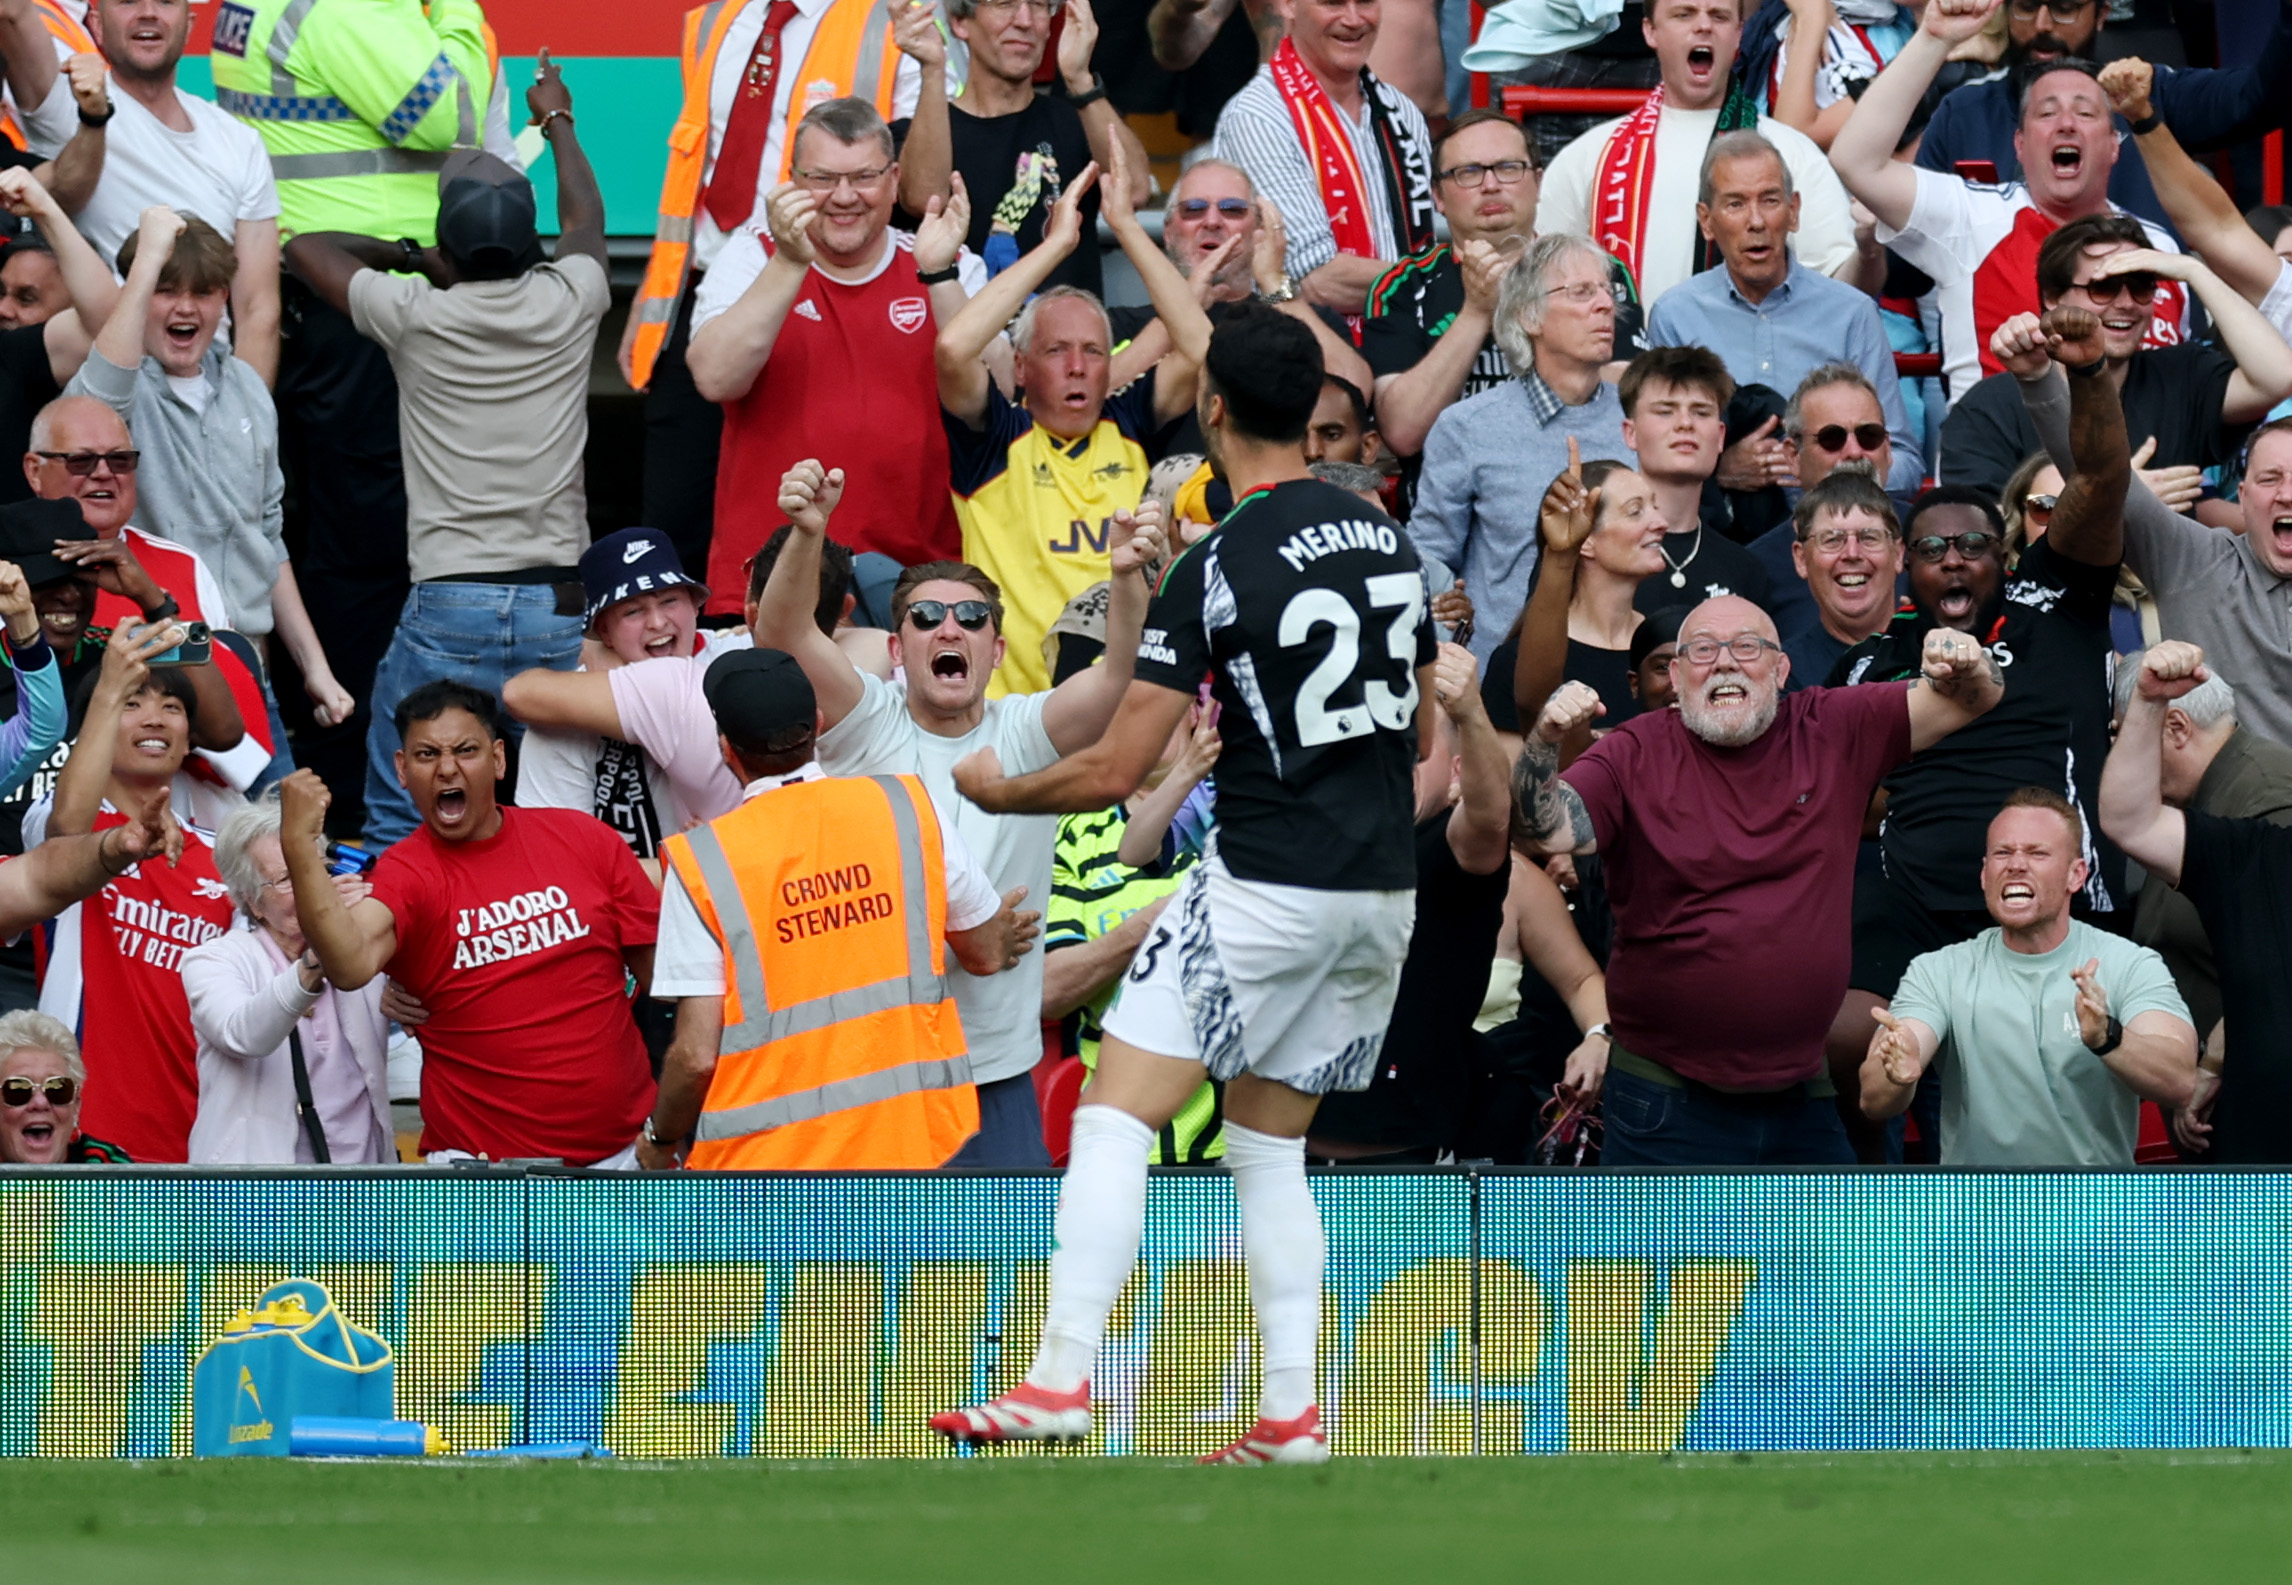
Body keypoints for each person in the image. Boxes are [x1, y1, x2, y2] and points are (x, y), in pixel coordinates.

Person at [931, 303, 1432, 1463]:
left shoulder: (1219, 561)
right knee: (1267, 1146)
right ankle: (1294, 1417)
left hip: (1263, 877)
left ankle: (1060, 1381)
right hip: (1378, 892)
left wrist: (994, 792)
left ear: (1210, 409)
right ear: (1313, 411)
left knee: (1111, 1120)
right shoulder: (1387, 542)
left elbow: (1112, 767)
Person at [754, 455, 1160, 1166]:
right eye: (926, 617)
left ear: (996, 649)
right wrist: (808, 533)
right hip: (872, 1074)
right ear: (895, 648)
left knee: (1010, 1272)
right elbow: (783, 633)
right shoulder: (867, 720)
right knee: (867, 1275)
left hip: (994, 1075)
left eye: (971, 618)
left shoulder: (1028, 730)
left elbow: (1121, 673)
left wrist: (1128, 580)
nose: (950, 629)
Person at [1513, 594, 2002, 1165]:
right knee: (1677, 1260)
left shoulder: (1832, 725)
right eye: (1702, 651)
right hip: (1668, 1101)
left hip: (1803, 1094)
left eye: (1747, 647)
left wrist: (1968, 658)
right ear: (1675, 675)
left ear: (1780, 668)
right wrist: (1545, 740)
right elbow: (1544, 832)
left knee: (1823, 1257)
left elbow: (1976, 698)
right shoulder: (1634, 752)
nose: (1725, 662)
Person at [283, 61, 608, 847]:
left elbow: (307, 249)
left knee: (402, 813)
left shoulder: (415, 314)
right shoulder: (574, 298)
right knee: (557, 818)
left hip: (448, 603)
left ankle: (405, 969)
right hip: (555, 608)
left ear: (448, 247)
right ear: (531, 244)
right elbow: (589, 224)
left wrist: (408, 254)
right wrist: (557, 118)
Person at [214, 0, 504, 833]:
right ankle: (372, 789)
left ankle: (356, 773)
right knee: (375, 556)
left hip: (330, 297)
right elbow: (450, 113)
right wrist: (451, 11)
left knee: (344, 546)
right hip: (359, 299)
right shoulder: (344, 11)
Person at [637, 648, 1034, 1170]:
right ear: (818, 726)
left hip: (767, 1173)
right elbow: (983, 952)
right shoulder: (905, 807)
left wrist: (660, 1139)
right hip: (912, 1145)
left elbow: (694, 1057)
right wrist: (1000, 930)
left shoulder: (702, 861)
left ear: (726, 748)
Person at [1823, 444, 2126, 1103]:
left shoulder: (2059, 617)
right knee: (1847, 1036)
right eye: (1932, 547)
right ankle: (1869, 1181)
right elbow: (1837, 795)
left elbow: (2104, 481)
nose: (1953, 558)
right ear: (1906, 561)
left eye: (1972, 543)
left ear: (2005, 554)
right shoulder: (1867, 662)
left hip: (2051, 900)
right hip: (1914, 904)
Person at [620, 0, 952, 578]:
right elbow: (694, 172)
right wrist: (653, 297)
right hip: (721, 281)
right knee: (673, 526)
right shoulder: (713, 20)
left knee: (820, 509)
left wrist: (928, 70)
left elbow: (921, 189)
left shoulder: (885, 19)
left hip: (827, 275)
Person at [278, 683, 660, 1168]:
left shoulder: (583, 839)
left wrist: (670, 1126)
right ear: (401, 770)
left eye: (466, 750)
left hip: (625, 1158)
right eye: (427, 754)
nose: (447, 768)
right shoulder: (404, 874)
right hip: (481, 1174)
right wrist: (297, 846)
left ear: (498, 759)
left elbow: (663, 980)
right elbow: (349, 965)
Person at [59, 206, 352, 734]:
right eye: (166, 291)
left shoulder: (247, 391)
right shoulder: (121, 388)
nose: (185, 308)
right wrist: (146, 261)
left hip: (245, 667)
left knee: (267, 817)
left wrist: (316, 669)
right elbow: (97, 398)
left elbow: (267, 541)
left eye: (204, 292)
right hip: (145, 675)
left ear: (225, 300)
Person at [938, 142, 1209, 696]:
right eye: (1057, 350)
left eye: (1093, 351)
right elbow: (953, 350)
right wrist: (1058, 244)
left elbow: (1204, 352)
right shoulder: (994, 440)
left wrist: (1127, 228)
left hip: (1118, 708)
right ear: (1020, 365)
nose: (1079, 368)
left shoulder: (1132, 423)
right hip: (1012, 711)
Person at [687, 97, 985, 600]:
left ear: (894, 180)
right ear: (794, 180)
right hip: (765, 579)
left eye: (863, 178)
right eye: (823, 179)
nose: (843, 197)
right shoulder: (753, 254)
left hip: (919, 585)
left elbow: (987, 403)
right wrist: (789, 263)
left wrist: (939, 275)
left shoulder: (944, 260)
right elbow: (715, 378)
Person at [1827, 0, 2188, 406]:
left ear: (2114, 144)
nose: (2066, 123)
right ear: (2019, 144)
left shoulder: (2160, 250)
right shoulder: (1968, 216)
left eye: (2085, 113)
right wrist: (1932, 39)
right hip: (1999, 464)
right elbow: (1855, 161)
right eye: (2047, 113)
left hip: (2140, 466)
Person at [1860, 787, 2196, 1164]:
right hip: (1980, 1215)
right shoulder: (1938, 970)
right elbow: (1873, 1100)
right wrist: (1897, 1076)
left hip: (2095, 1212)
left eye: (2037, 853)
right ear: (1985, 875)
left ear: (2076, 875)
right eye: (2003, 853)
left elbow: (2181, 1082)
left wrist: (2108, 1037)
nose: (2016, 864)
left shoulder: (2129, 963)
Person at [26, 618, 240, 1163]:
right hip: (85, 1140)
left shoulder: (225, 856)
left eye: (172, 707)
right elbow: (65, 832)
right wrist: (106, 690)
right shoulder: (58, 823)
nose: (155, 718)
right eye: (133, 703)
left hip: (202, 1143)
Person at [2010, 357, 2292, 753]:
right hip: (2224, 807)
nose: (2287, 494)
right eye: (2270, 479)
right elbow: (2099, 479)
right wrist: (2039, 378)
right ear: (2242, 498)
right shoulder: (2197, 560)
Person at [1310, 642, 1512, 1165]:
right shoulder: (1318, 843)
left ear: (1456, 773)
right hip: (1280, 1155)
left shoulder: (1453, 845)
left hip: (1404, 1164)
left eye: (1414, 748)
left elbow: (1491, 816)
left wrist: (1468, 709)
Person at [1644, 129, 1922, 495]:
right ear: (1706, 221)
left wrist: (1830, 473)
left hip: (1834, 534)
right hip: (1725, 537)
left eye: (1770, 201)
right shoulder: (1676, 315)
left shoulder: (1851, 313)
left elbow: (1903, 460)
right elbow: (1655, 458)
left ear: (1793, 212)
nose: (1756, 221)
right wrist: (1717, 471)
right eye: (1735, 204)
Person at [1938, 217, 2291, 501]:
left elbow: (2278, 377)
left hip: (2166, 591)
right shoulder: (1988, 408)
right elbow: (1982, 529)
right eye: (2103, 287)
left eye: (2141, 285)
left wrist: (2193, 271)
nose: (2125, 303)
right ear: (2052, 297)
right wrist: (2114, 500)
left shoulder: (2181, 375)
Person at [1366, 107, 1644, 467]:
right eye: (1468, 172)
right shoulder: (1403, 286)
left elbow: (1624, 403)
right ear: (1437, 195)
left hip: (1574, 482)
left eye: (1508, 168)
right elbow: (1403, 433)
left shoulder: (1598, 271)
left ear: (1539, 182)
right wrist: (1476, 312)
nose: (1491, 185)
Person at [2101, 640, 2292, 1163]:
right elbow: (2127, 822)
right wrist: (2146, 701)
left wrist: (2210, 1067)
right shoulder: (2247, 847)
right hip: (2246, 1141)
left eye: (2122, 738)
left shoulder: (2269, 798)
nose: (2122, 753)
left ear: (2179, 729)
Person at [1535, 0, 1859, 304]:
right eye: (1684, 14)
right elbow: (1544, 285)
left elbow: (1837, 289)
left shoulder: (1792, 153)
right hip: (1627, 363)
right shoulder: (1589, 157)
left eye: (1719, 16)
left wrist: (1871, 248)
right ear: (1650, 31)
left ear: (1739, 33)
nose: (1703, 25)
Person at [22, 395, 264, 797]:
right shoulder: (7, 569)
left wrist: (153, 601)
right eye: (81, 461)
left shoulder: (183, 566)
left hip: (172, 798)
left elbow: (227, 737)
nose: (103, 474)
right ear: (35, 470)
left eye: (120, 461)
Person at [1410, 233, 1635, 664]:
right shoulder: (1468, 427)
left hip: (1624, 672)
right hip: (1502, 681)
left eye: (1608, 290)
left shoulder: (1639, 419)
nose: (1606, 304)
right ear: (1529, 316)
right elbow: (1429, 560)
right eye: (1581, 292)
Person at [1913, 0, 2292, 235]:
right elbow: (1905, 273)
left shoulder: (2146, 93)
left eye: (2064, 8)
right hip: (2009, 340)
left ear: (2101, 14)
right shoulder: (1962, 112)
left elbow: (2257, 100)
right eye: (2026, 6)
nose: (2042, 24)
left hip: (2145, 330)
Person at [1042, 705, 1222, 1166]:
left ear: (1195, 712)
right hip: (1118, 1141)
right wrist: (1147, 927)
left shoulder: (1241, 810)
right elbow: (1048, 990)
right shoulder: (1075, 832)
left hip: (1234, 1143)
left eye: (1163, 698)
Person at [71, 0, 278, 385]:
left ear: (189, 25)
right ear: (95, 26)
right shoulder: (66, 114)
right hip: (92, 388)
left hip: (207, 388)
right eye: (128, 1)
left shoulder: (238, 141)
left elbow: (258, 309)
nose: (148, 13)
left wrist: (248, 423)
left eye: (166, 2)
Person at [182, 790, 392, 1164]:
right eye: (285, 879)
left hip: (362, 1194)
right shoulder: (213, 960)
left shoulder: (363, 949)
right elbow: (243, 1034)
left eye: (310, 872)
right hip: (257, 1202)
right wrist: (320, 953)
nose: (308, 889)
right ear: (251, 900)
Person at [1102, 158, 1371, 448]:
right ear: (1168, 234)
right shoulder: (1121, 324)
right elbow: (1090, 401)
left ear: (1259, 232)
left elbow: (1354, 394)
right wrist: (1181, 309)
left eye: (1232, 209)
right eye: (1194, 210)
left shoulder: (1301, 318)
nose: (1213, 221)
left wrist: (1273, 282)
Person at [1211, 0, 1437, 322]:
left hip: (1410, 348)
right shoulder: (1258, 116)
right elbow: (1316, 281)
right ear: (1288, 5)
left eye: (1366, 2)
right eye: (1332, 2)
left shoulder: (1401, 112)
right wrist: (1446, 286)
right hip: (1303, 356)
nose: (1353, 19)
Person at [509, 527, 723, 866]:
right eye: (633, 612)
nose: (657, 622)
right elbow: (560, 864)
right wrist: (689, 867)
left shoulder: (739, 663)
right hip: (622, 906)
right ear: (604, 632)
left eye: (670, 601)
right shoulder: (561, 711)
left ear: (696, 607)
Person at [942, 0, 1150, 294]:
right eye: (1005, 3)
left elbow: (1136, 189)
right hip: (967, 336)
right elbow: (918, 197)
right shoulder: (930, 134)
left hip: (1072, 336)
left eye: (1039, 4)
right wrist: (930, 70)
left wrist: (1079, 79)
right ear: (960, 22)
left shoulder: (1077, 120)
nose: (1026, 20)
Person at [1499, 449, 1666, 736]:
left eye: (1655, 507)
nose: (1660, 523)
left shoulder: (1666, 645)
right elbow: (1512, 777)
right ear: (1586, 540)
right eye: (1635, 511)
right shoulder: (1519, 661)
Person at [1743, 361, 1902, 637]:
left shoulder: (1932, 541)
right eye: (1832, 438)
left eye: (1869, 436)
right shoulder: (1755, 569)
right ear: (1792, 456)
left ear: (1887, 449)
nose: (1854, 452)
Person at [1616, 345, 1773, 611]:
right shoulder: (1595, 553)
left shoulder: (1747, 569)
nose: (1685, 424)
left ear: (1721, 436)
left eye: (1701, 412)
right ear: (1630, 433)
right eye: (1665, 411)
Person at [0, 166, 111, 504]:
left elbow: (107, 324)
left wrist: (45, 208)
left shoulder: (16, 357)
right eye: (0, 291)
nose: (4, 308)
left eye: (26, 298)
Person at [1774, 470, 1906, 688]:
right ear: (1801, 559)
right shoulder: (1782, 674)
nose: (1852, 554)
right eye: (1833, 540)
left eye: (1869, 538)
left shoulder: (1940, 657)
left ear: (1899, 554)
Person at [0, 1009, 129, 1162]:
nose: (40, 1103)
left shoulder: (109, 1170)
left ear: (76, 1108)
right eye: (19, 1089)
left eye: (57, 1089)